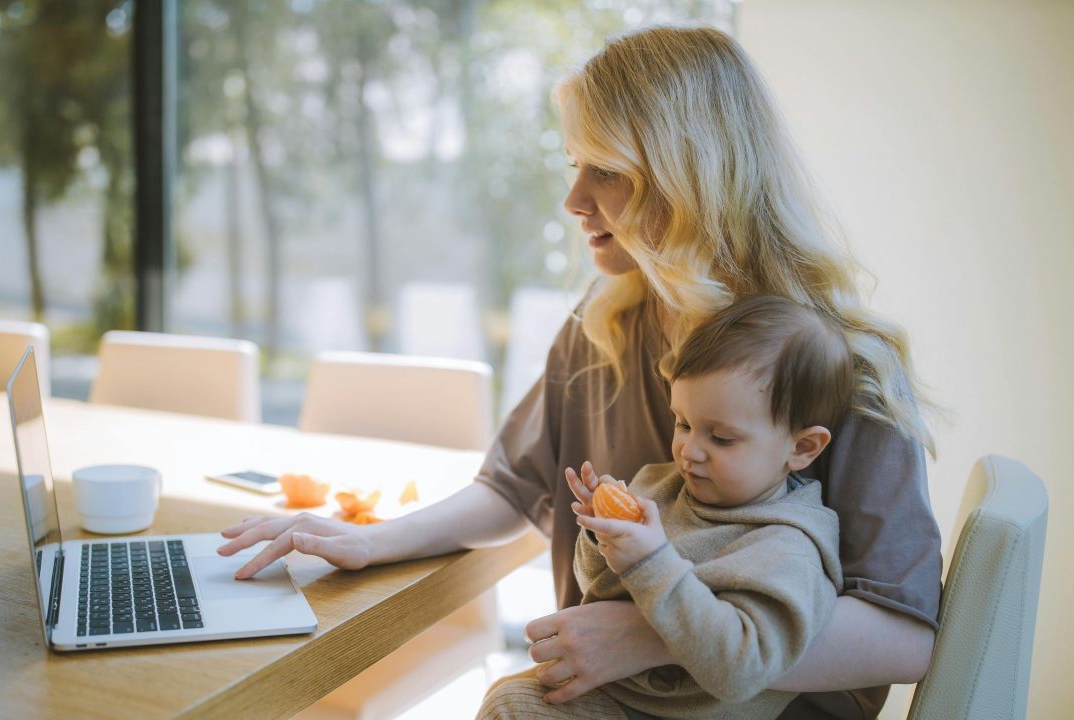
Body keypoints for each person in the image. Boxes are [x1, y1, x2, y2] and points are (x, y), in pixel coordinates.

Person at [217, 24, 941, 720]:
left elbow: (905, 634)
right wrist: (373, 540)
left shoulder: (841, 362)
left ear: (692, 179)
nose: (573, 202)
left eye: (609, 172)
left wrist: (653, 636)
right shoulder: (607, 320)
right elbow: (513, 488)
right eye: (574, 166)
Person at [478, 294, 852, 720]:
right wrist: (603, 537)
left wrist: (652, 561)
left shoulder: (788, 547)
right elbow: (598, 591)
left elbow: (741, 670)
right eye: (684, 423)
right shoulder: (661, 486)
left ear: (802, 447)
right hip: (619, 695)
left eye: (722, 438)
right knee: (510, 699)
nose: (690, 451)